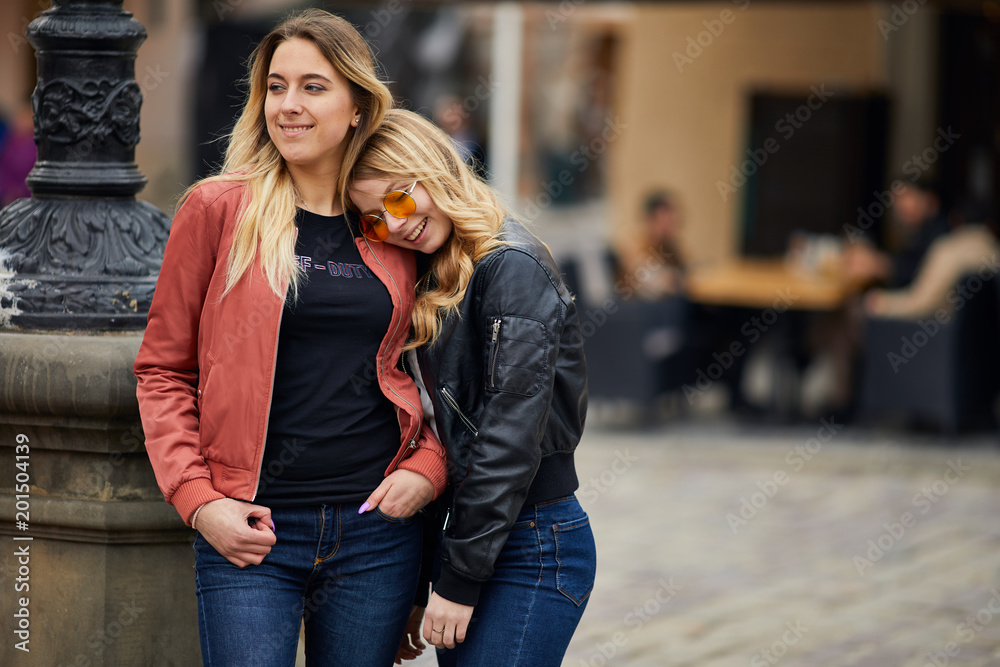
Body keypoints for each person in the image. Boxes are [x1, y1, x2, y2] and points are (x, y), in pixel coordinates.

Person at [133, 11, 447, 666]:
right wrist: (200, 500)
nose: (289, 106)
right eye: (276, 87)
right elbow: (162, 370)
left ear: (358, 106)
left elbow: (443, 363)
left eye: (312, 86)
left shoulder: (386, 218)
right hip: (250, 530)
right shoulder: (218, 208)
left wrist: (429, 465)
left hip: (377, 532)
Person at [348, 109, 595, 667]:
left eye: (400, 199)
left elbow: (508, 437)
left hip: (532, 543)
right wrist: (425, 582)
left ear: (436, 173)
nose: (394, 224)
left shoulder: (510, 265)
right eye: (372, 220)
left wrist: (457, 581)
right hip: (474, 535)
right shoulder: (435, 271)